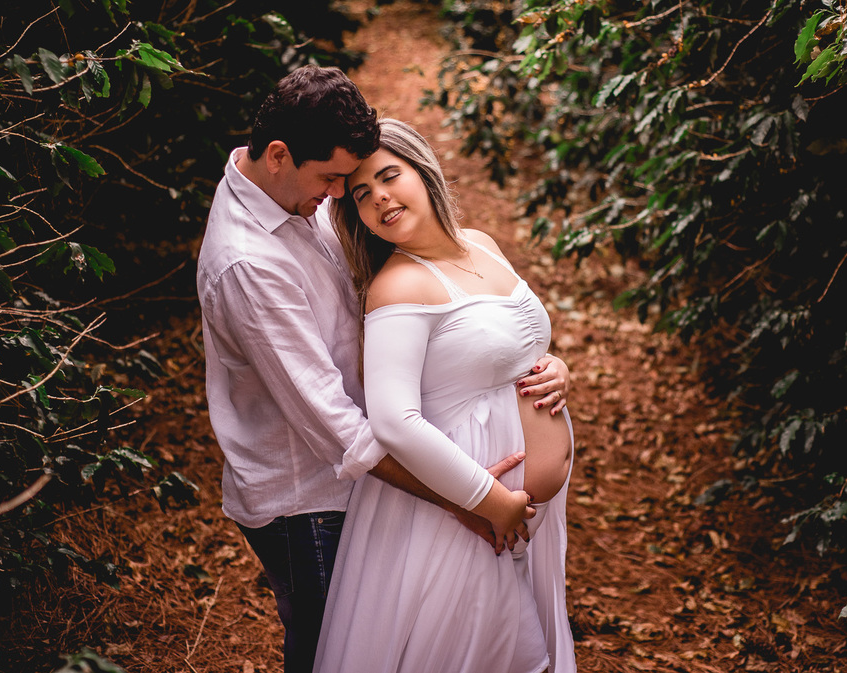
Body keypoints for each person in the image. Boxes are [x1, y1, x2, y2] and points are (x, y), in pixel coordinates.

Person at [195, 67, 569, 673]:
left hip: (377, 483)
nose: (345, 196)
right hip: (310, 501)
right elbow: (337, 426)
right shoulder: (248, 264)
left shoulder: (295, 192)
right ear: (279, 155)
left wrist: (549, 366)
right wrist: (473, 499)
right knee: (337, 655)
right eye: (335, 180)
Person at [315, 118, 576, 673]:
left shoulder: (480, 244)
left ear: (423, 172)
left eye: (390, 176)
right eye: (362, 194)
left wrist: (557, 367)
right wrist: (489, 498)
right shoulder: (397, 286)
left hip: (513, 517)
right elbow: (393, 420)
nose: (380, 198)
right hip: (462, 515)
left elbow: (514, 345)